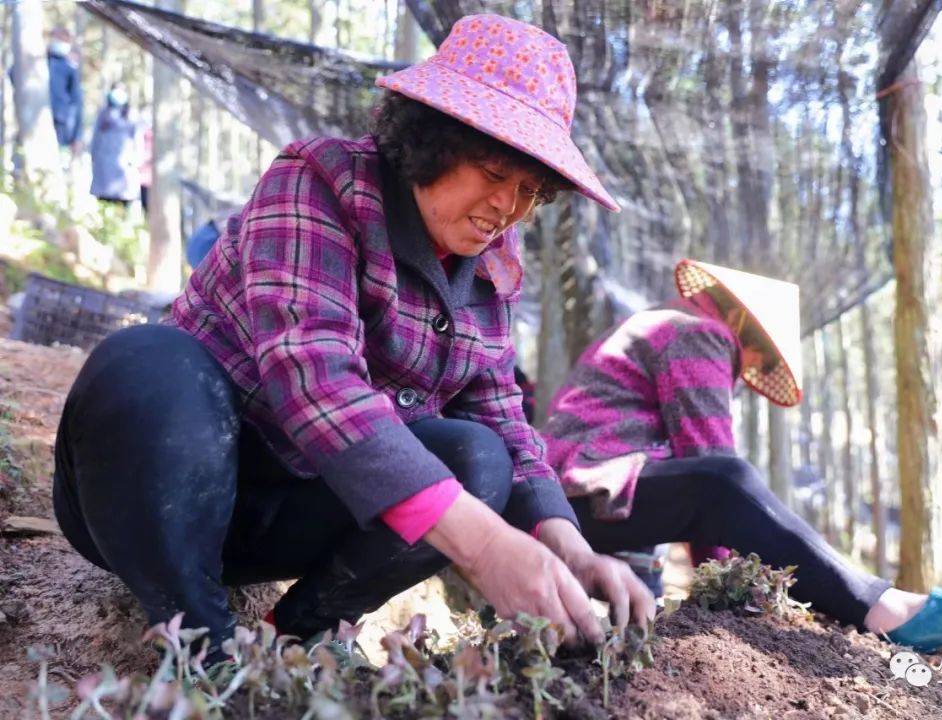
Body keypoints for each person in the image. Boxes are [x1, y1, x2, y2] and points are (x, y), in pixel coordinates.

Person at [53, 14, 654, 663]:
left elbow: (501, 414)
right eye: (491, 171)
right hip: (160, 493)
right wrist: (483, 546)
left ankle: (299, 634)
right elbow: (314, 377)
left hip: (282, 520)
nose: (506, 208)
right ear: (432, 140)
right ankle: (203, 646)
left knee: (480, 458)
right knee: (147, 363)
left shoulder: (492, 267)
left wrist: (565, 541)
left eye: (529, 191)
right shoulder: (322, 182)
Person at [542, 260, 942, 654]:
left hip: (572, 497)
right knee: (724, 476)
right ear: (737, 322)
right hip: (582, 493)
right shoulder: (696, 332)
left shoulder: (662, 325)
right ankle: (886, 609)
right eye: (757, 355)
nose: (749, 368)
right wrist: (732, 583)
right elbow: (711, 473)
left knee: (712, 480)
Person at [89, 83, 141, 206]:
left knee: (123, 203)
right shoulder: (103, 114)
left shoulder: (131, 115)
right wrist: (94, 156)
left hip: (124, 170)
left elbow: (138, 139)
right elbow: (95, 139)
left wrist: (135, 160)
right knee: (104, 204)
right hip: (104, 169)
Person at [46, 28, 83, 154]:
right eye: (57, 39)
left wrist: (77, 136)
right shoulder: (40, 62)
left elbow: (77, 102)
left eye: (63, 40)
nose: (59, 42)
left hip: (61, 124)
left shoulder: (69, 68)